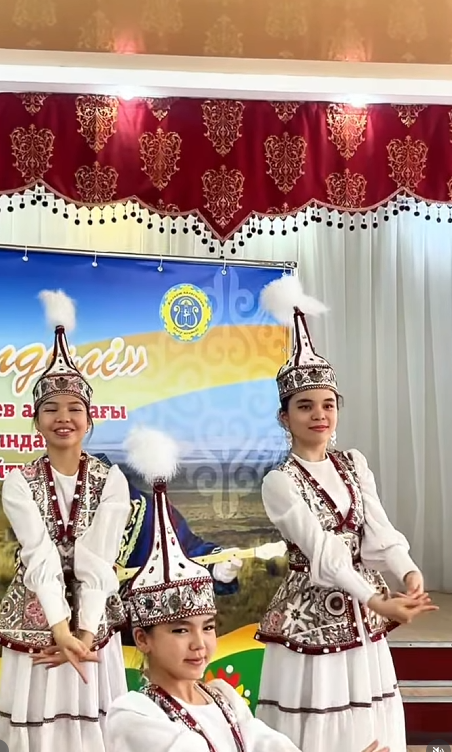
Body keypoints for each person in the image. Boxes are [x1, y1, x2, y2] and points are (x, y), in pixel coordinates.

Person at [105, 425, 389, 752]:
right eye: (181, 630)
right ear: (143, 639)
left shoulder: (224, 699)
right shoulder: (133, 715)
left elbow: (273, 748)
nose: (199, 644)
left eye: (208, 627)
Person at [254, 275, 438, 752]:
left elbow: (378, 528)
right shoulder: (280, 481)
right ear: (284, 417)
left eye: (328, 404)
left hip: (361, 615)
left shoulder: (353, 463)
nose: (319, 414)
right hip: (310, 614)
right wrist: (377, 601)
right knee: (318, 714)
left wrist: (408, 572)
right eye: (305, 406)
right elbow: (324, 553)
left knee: (369, 714)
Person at [0, 290, 131, 752]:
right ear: (36, 420)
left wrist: (83, 635)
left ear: (89, 420)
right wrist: (59, 629)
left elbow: (98, 559)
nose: (63, 418)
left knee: (95, 727)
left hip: (93, 623)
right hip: (38, 620)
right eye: (51, 409)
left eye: (75, 408)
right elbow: (38, 556)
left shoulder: (112, 480)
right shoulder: (18, 482)